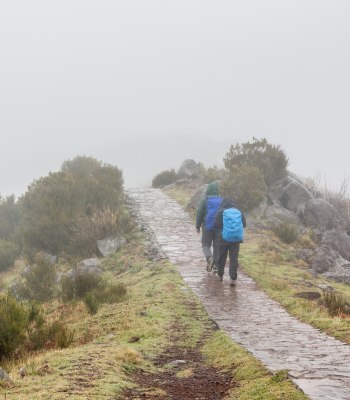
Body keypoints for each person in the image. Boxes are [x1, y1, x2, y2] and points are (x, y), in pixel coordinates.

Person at [214, 198, 246, 286]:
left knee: (221, 257)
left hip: (223, 238)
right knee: (234, 259)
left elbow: (216, 225)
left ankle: (220, 275)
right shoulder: (238, 211)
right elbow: (244, 224)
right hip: (236, 239)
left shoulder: (221, 212)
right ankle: (233, 279)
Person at [195, 181, 223, 272]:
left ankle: (209, 258)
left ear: (208, 190)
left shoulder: (205, 201)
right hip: (219, 228)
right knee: (216, 246)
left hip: (207, 227)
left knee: (205, 245)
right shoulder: (222, 200)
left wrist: (197, 226)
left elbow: (199, 213)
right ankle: (216, 266)